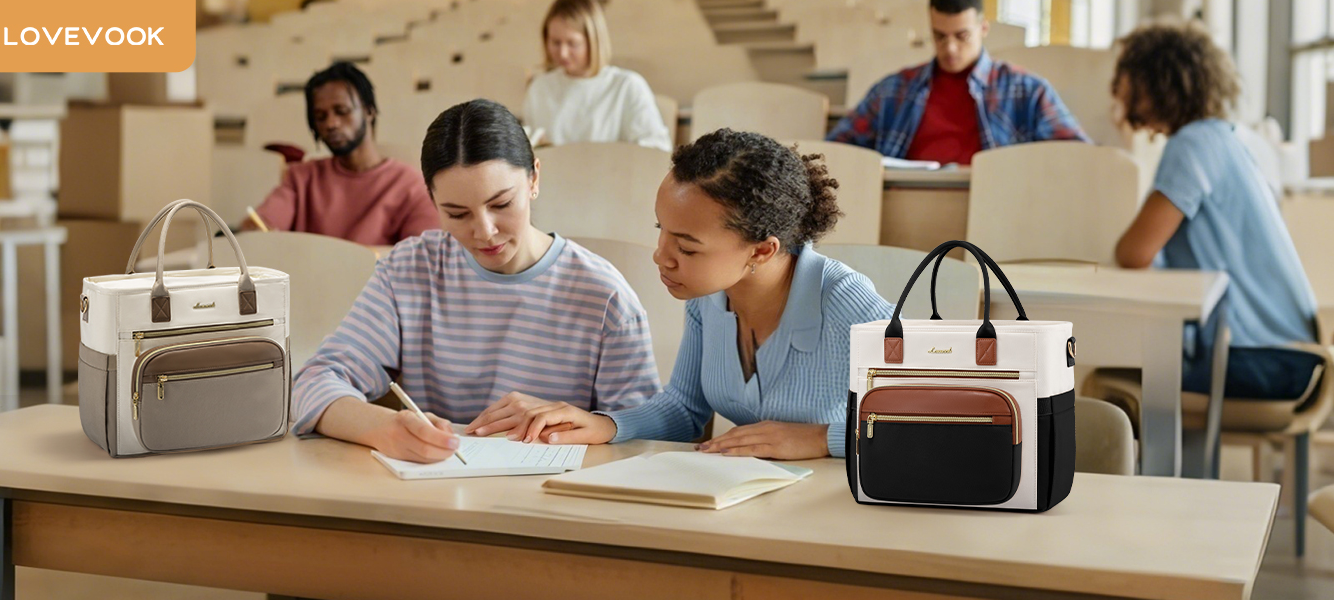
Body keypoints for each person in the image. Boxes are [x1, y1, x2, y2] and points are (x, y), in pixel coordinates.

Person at [465, 129, 896, 460]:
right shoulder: (708, 296)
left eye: (687, 247)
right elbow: (685, 409)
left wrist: (824, 438)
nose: (661, 257)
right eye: (661, 232)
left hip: (839, 505)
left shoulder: (846, 302)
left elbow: (945, 420)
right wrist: (605, 425)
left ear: (762, 250)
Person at [289, 99, 662, 463]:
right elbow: (313, 382)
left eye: (501, 204)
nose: (484, 232)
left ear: (534, 178)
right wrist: (383, 427)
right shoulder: (410, 270)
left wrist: (583, 423)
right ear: (432, 202)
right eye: (456, 213)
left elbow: (646, 438)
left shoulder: (604, 296)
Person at [1112, 22, 1322, 399]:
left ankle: (1170, 461)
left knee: (1114, 377)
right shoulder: (1232, 139)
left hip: (1258, 359)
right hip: (1300, 355)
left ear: (1156, 83)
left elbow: (1132, 253)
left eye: (1130, 87)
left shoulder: (1191, 145)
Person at [826, 0, 1089, 165]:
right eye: (939, 36)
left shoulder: (1027, 89)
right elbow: (837, 151)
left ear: (983, 29)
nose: (950, 48)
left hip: (995, 203)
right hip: (906, 199)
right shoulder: (893, 89)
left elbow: (1077, 154)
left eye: (962, 36)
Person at [243, 62, 440, 246]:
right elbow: (258, 231)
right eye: (320, 117)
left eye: (342, 111)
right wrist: (254, 233)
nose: (331, 124)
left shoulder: (411, 186)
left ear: (369, 112)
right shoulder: (300, 177)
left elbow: (421, 260)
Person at [521, 0, 673, 152]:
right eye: (556, 43)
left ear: (593, 41)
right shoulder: (539, 88)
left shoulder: (627, 85)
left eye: (572, 43)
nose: (563, 53)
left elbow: (657, 150)